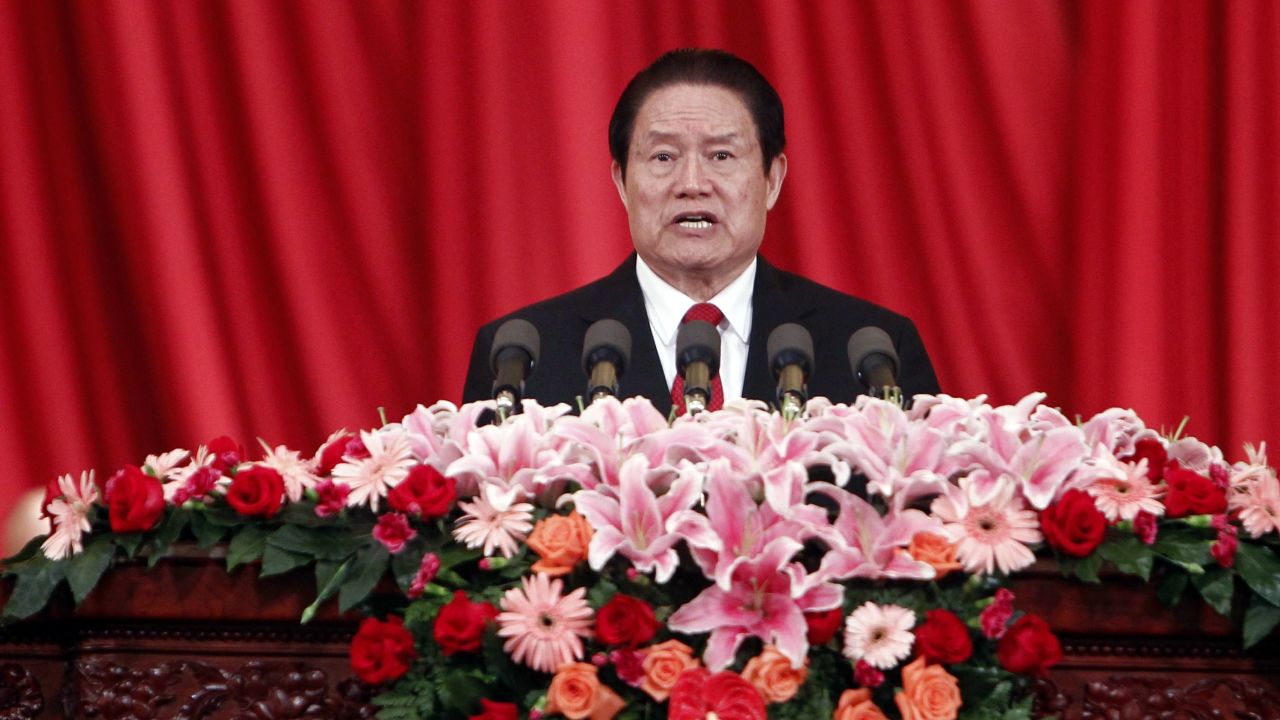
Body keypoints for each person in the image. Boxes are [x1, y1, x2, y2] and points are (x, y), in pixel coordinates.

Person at [462, 49, 938, 414]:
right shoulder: (522, 356)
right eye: (663, 157)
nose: (692, 184)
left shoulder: (874, 350)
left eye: (722, 156)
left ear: (772, 180)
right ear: (621, 182)